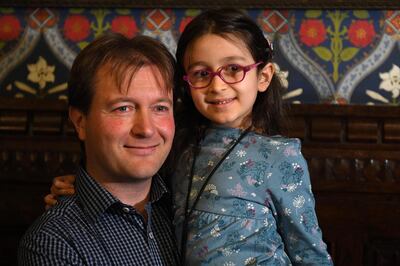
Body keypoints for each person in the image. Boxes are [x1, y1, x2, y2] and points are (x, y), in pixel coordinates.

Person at [45, 9, 333, 265]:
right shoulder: (179, 147)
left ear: (263, 76)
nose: (217, 86)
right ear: (186, 83)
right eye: (201, 73)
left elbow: (309, 251)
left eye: (233, 69)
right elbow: (132, 190)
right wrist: (80, 186)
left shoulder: (281, 157)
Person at [19, 32, 179, 265]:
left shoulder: (188, 206)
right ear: (80, 122)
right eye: (123, 108)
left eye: (160, 108)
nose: (146, 129)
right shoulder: (53, 243)